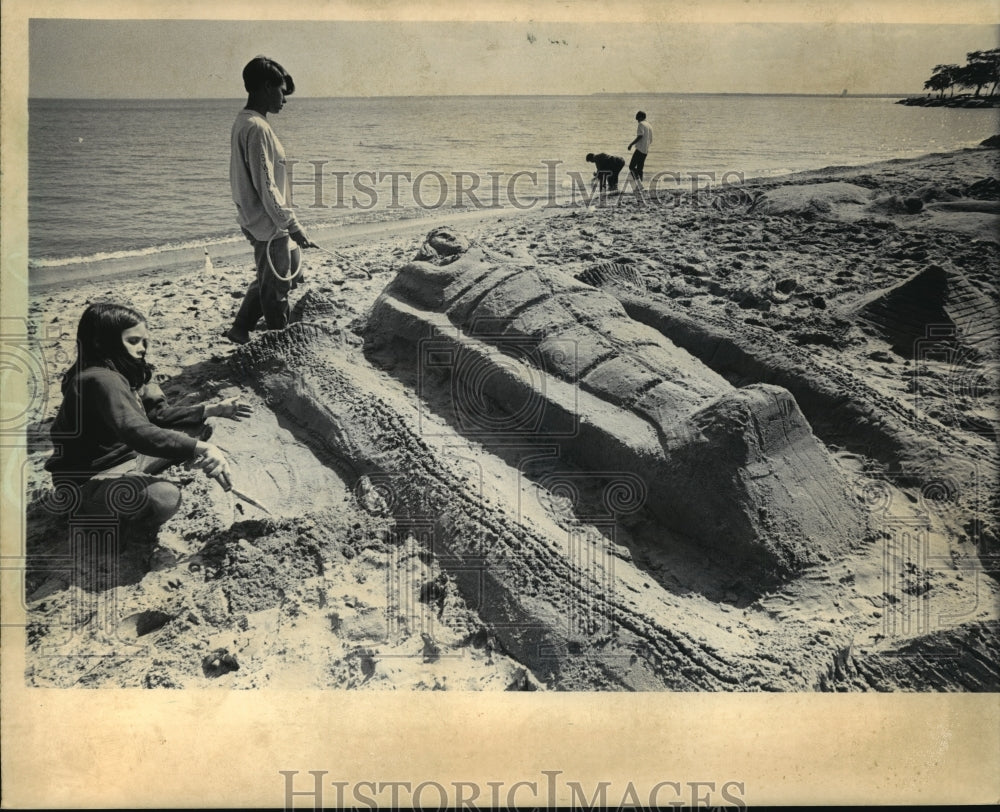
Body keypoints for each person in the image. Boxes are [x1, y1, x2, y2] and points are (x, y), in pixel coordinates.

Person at [46, 302, 250, 536]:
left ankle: (129, 487)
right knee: (164, 498)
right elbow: (135, 431)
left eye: (144, 341)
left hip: (125, 457)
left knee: (197, 428)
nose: (142, 348)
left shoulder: (123, 370)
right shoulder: (99, 379)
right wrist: (202, 449)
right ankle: (100, 519)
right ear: (101, 342)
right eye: (132, 341)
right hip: (88, 481)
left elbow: (156, 415)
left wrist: (212, 409)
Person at [226, 56, 316, 345]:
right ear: (266, 87)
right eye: (281, 91)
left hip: (262, 218)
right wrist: (292, 224)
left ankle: (240, 328)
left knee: (278, 275)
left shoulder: (248, 122)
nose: (284, 101)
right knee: (276, 288)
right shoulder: (256, 127)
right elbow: (266, 185)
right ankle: (280, 343)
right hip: (267, 221)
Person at [627, 110, 653, 190]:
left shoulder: (641, 124)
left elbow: (640, 136)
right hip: (645, 150)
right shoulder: (649, 125)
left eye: (637, 117)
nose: (637, 120)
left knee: (631, 167)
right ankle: (640, 185)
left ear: (641, 117)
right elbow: (651, 139)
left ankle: (639, 184)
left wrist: (631, 144)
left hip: (640, 149)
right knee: (640, 168)